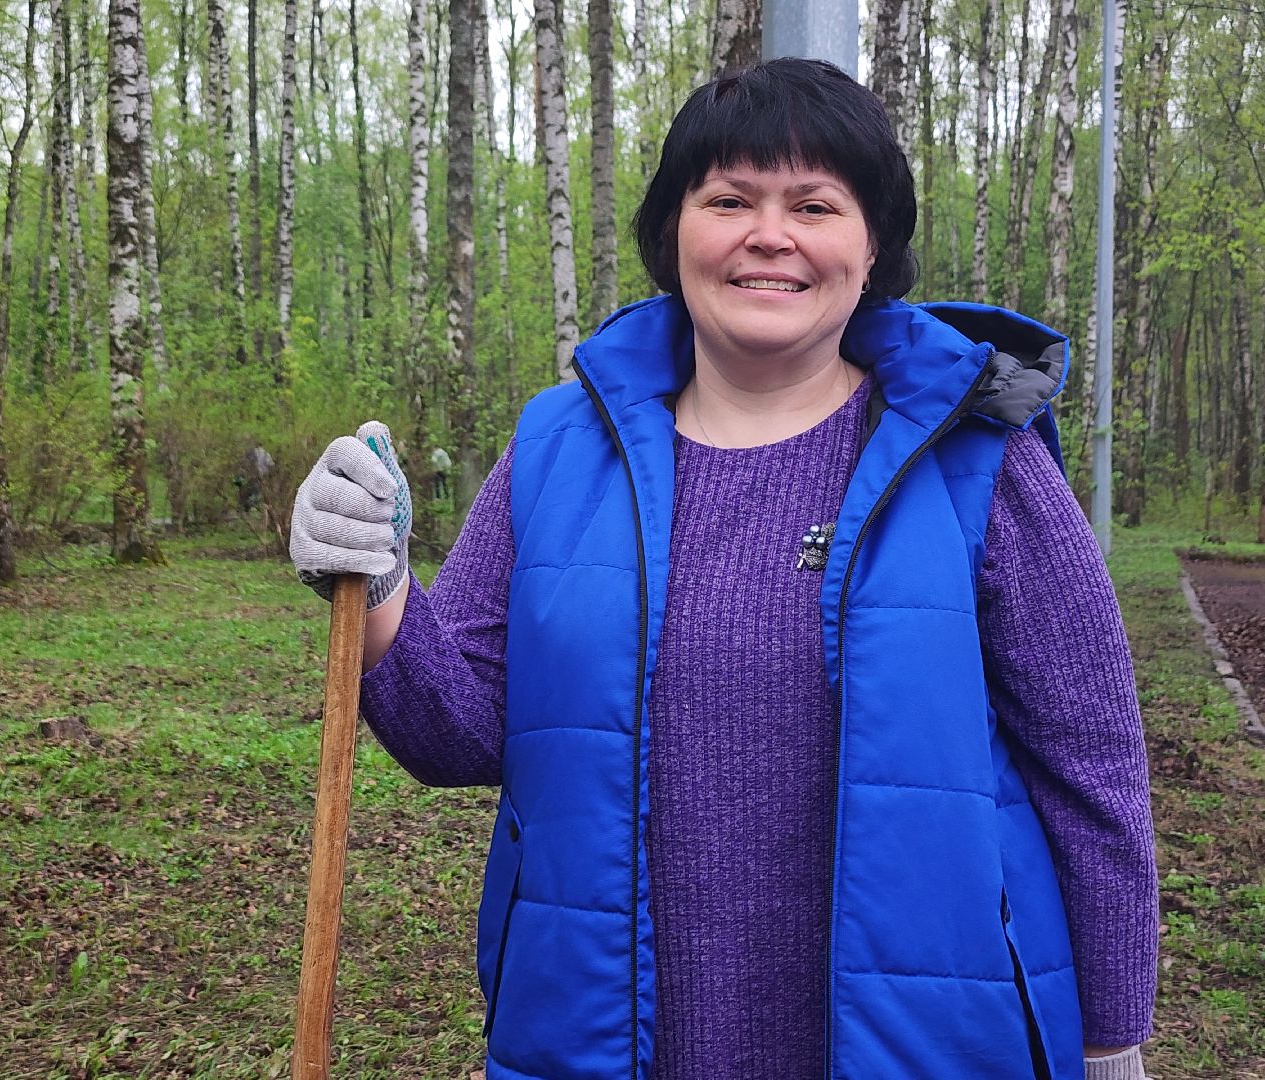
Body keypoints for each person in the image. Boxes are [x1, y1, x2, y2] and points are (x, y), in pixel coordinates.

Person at [289, 59, 1157, 1080]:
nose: (769, 234)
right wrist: (380, 579)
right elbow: (466, 729)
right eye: (729, 199)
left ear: (873, 244)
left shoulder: (978, 454)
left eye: (816, 204)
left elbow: (1092, 767)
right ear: (675, 234)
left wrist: (1112, 1038)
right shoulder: (561, 445)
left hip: (926, 1043)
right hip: (602, 1041)